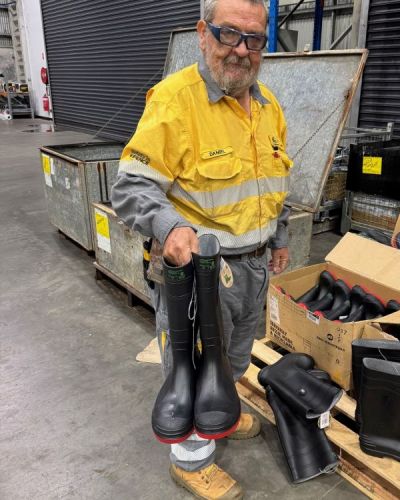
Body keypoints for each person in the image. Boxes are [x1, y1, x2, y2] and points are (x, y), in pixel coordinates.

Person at [111, 0, 292, 498]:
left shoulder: (269, 106)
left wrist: (278, 238)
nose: (241, 49)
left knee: (231, 359)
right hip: (198, 275)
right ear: (202, 33)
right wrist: (167, 227)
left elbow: (274, 183)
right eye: (229, 33)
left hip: (252, 270)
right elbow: (130, 187)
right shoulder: (175, 100)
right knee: (188, 370)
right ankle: (190, 458)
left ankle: (222, 416)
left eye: (254, 38)